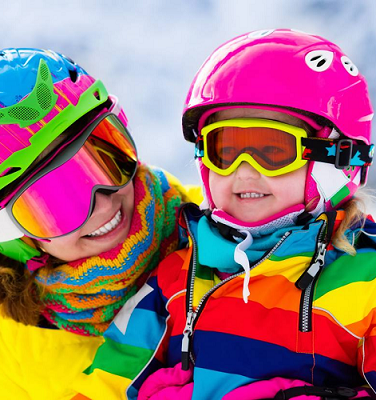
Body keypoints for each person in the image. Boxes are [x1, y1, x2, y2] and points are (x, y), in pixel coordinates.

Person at [71, 29, 376, 399]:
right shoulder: (177, 277)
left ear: (337, 158)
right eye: (225, 148)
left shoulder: (365, 282)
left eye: (273, 149)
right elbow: (106, 384)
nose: (244, 170)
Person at [0, 48, 200, 399]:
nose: (103, 203)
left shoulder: (225, 239)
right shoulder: (7, 339)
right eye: (58, 201)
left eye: (105, 158)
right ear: (10, 236)